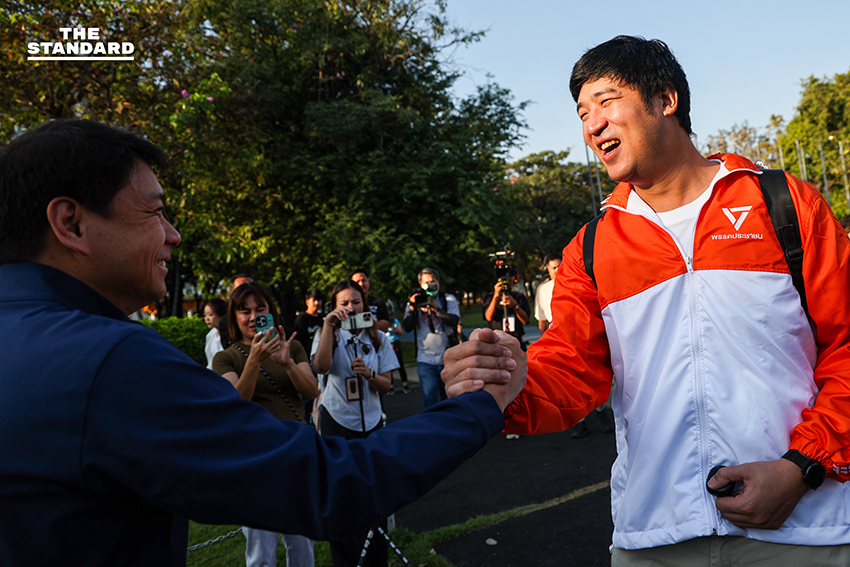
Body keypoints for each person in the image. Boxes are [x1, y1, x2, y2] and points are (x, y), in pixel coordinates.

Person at [0, 119, 524, 566]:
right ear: (70, 222)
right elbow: (331, 484)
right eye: (154, 212)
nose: (173, 234)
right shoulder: (108, 359)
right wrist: (481, 404)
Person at [442, 36, 850, 565]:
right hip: (653, 539)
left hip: (804, 531)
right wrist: (502, 386)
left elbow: (845, 346)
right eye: (582, 113)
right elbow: (568, 376)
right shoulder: (589, 249)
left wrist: (802, 467)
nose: (591, 125)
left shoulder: (784, 204)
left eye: (606, 102)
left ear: (665, 98)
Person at [213, 282, 319, 567]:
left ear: (271, 313)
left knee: (302, 544)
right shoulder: (226, 357)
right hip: (255, 458)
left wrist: (286, 363)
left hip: (296, 451)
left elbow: (311, 390)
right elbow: (236, 403)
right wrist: (254, 361)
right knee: (261, 550)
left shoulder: (292, 346)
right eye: (244, 311)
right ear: (234, 317)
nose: (252, 317)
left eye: (260, 309)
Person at [312, 279, 397, 567]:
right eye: (343, 303)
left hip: (371, 421)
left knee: (374, 490)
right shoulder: (328, 334)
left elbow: (387, 385)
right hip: (338, 420)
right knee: (343, 492)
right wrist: (328, 326)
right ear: (334, 307)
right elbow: (321, 366)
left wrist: (369, 375)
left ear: (365, 304)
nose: (350, 307)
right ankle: (347, 558)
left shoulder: (377, 338)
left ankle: (376, 557)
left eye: (356, 302)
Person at [402, 268, 461, 409]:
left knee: (451, 399)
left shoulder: (447, 299)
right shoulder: (415, 302)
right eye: (426, 282)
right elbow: (407, 327)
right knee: (430, 399)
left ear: (438, 283)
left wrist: (435, 309)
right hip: (425, 360)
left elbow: (454, 320)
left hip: (448, 358)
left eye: (433, 281)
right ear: (421, 285)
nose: (430, 285)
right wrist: (412, 307)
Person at [481, 275, 530, 347]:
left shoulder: (519, 296)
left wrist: (515, 305)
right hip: (496, 340)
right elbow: (488, 317)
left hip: (515, 340)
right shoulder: (489, 297)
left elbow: (525, 320)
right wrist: (496, 296)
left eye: (509, 278)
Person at [349, 268, 390, 333]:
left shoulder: (378, 303)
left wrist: (368, 321)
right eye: (357, 282)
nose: (361, 284)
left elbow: (385, 327)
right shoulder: (348, 304)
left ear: (369, 282)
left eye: (363, 280)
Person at [533, 254, 561, 334]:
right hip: (554, 332)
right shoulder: (543, 289)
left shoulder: (573, 284)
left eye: (559, 266)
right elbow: (542, 319)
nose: (557, 270)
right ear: (548, 269)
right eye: (554, 268)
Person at [293, 287, 325, 357]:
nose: (317, 303)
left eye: (319, 300)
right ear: (307, 302)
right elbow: (298, 341)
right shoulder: (301, 319)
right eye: (314, 300)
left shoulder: (323, 318)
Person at [203, 298, 227, 369]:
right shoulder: (210, 335)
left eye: (210, 314)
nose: (207, 318)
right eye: (205, 315)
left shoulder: (229, 334)